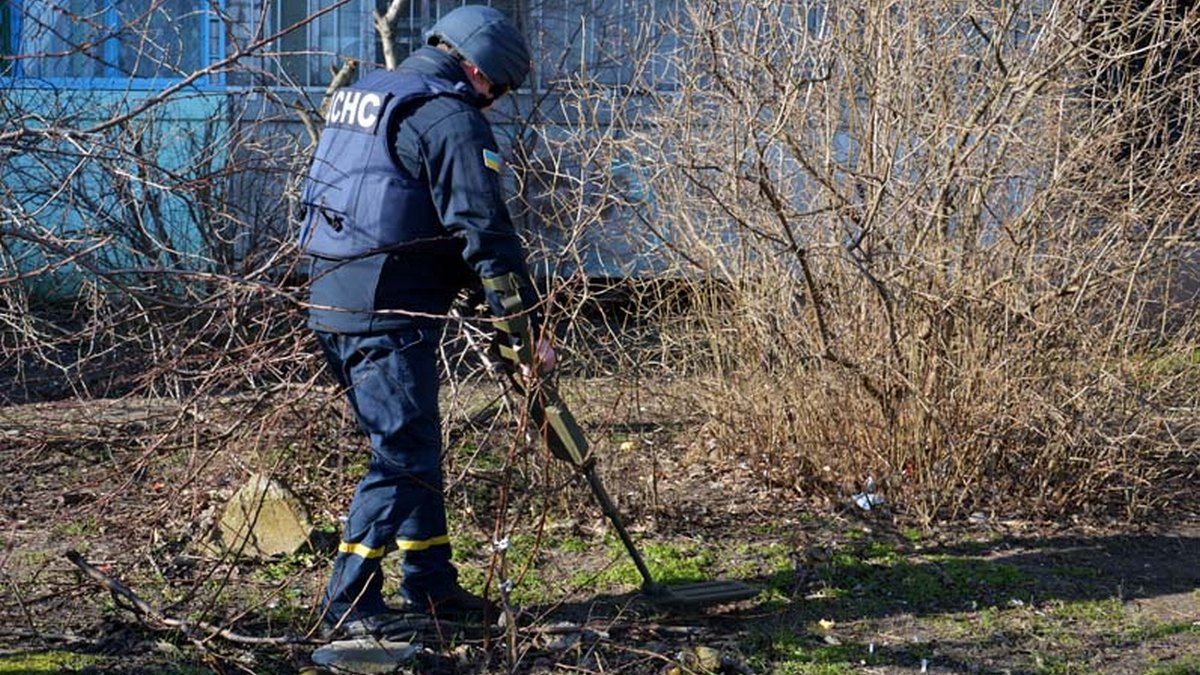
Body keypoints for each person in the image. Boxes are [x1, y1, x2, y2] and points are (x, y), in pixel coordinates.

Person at [297, 5, 553, 639]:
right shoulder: (449, 115)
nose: (493, 100)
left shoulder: (367, 94)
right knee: (402, 454)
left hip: (332, 294)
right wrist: (522, 327)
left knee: (413, 439)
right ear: (479, 68)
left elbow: (392, 196)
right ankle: (348, 605)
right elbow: (483, 229)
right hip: (388, 306)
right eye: (497, 87)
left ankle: (430, 583)